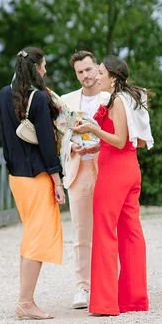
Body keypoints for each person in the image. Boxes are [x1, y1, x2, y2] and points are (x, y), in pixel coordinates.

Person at [73, 56, 153, 316]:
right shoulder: (131, 99)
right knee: (131, 232)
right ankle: (134, 298)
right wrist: (98, 144)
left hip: (114, 171)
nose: (97, 76)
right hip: (131, 168)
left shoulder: (117, 101)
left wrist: (93, 130)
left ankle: (105, 303)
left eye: (100, 73)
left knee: (105, 232)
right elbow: (136, 141)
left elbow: (119, 140)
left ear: (113, 78)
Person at [0, 48, 66, 320]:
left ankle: (25, 299)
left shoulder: (5, 95)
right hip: (37, 176)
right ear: (36, 68)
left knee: (31, 235)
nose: (45, 71)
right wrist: (57, 181)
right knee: (38, 237)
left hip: (16, 177)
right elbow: (47, 145)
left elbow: (5, 136)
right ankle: (25, 302)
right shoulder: (38, 99)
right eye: (44, 66)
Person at [59, 50, 102, 309]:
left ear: (97, 68)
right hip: (79, 169)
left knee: (108, 228)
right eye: (80, 72)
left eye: (88, 69)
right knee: (81, 231)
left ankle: (107, 281)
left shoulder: (111, 97)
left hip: (105, 167)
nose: (85, 75)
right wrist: (70, 147)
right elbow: (60, 135)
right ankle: (82, 286)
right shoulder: (67, 100)